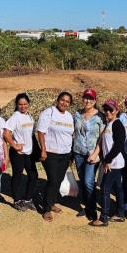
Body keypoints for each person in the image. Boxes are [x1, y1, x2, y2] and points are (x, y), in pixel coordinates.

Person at [87, 98, 126, 227]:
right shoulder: (109, 124)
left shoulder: (117, 124)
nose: (108, 112)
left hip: (114, 163)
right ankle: (120, 212)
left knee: (104, 188)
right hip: (112, 162)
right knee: (118, 188)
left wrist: (108, 160)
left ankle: (103, 217)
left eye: (111, 109)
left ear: (117, 110)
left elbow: (119, 145)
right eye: (106, 109)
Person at [37, 91, 75, 222]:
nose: (64, 103)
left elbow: (71, 134)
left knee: (58, 180)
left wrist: (71, 154)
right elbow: (41, 132)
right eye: (62, 100)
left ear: (70, 104)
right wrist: (43, 150)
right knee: (53, 180)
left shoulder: (69, 116)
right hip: (51, 152)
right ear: (58, 100)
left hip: (65, 154)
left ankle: (52, 202)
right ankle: (46, 209)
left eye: (67, 102)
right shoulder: (49, 112)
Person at [72, 88, 104, 221]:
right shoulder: (77, 114)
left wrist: (96, 153)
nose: (87, 101)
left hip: (92, 154)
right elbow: (73, 132)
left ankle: (92, 210)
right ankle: (86, 206)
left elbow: (102, 137)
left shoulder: (100, 116)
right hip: (78, 152)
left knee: (88, 182)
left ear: (95, 101)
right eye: (85, 98)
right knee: (83, 181)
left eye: (90, 99)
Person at [2, 92, 38, 212]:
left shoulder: (29, 116)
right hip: (18, 153)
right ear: (17, 105)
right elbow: (6, 133)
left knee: (33, 176)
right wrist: (14, 145)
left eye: (25, 104)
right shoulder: (15, 117)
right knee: (18, 176)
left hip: (29, 152)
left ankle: (28, 199)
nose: (23, 106)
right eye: (20, 104)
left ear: (28, 104)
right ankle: (17, 200)